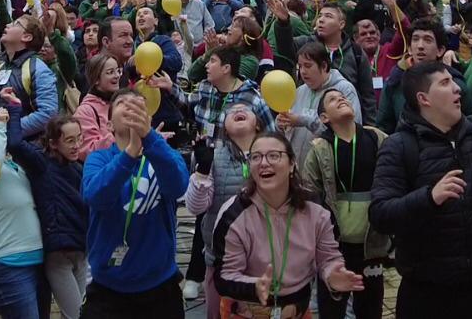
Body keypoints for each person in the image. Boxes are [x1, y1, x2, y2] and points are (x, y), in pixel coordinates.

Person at [369, 61, 472, 318]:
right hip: (426, 294)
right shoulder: (398, 146)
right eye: (445, 83)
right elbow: (381, 214)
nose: (458, 90)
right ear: (423, 98)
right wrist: (429, 197)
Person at [210, 131, 363, 317]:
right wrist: (254, 287)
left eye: (274, 155)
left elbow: (328, 257)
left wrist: (332, 275)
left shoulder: (316, 209)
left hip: (297, 310)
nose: (264, 163)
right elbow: (224, 275)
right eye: (256, 157)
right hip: (247, 311)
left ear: (292, 164)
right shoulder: (234, 213)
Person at [80, 88, 190, 318]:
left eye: (139, 104)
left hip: (160, 285)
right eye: (122, 103)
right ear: (109, 126)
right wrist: (129, 153)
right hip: (109, 288)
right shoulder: (99, 159)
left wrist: (150, 140)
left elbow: (178, 185)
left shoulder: (163, 154)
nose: (131, 105)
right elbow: (95, 196)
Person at [300, 89, 387, 319]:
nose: (341, 99)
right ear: (324, 118)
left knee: (371, 308)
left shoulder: (376, 137)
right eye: (332, 99)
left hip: (372, 244)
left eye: (343, 96)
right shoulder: (319, 148)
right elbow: (309, 195)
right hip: (335, 246)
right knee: (332, 309)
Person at [0, 92, 49, 319]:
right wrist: (1, 126)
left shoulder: (14, 164)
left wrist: (14, 109)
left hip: (37, 260)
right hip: (4, 264)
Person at [7, 111, 90, 319]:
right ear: (53, 143)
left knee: (77, 311)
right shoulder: (42, 164)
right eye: (69, 140)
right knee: (76, 314)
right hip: (59, 253)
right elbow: (16, 144)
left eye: (79, 138)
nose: (76, 145)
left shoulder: (78, 168)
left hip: (81, 249)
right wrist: (15, 110)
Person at [185, 104, 266, 315]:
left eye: (246, 110)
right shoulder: (215, 157)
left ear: (257, 123)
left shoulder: (273, 155)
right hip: (221, 257)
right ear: (225, 128)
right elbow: (195, 207)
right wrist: (202, 171)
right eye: (231, 112)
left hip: (266, 258)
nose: (238, 110)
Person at [0, 14, 59, 140]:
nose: (8, 25)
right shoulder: (1, 67)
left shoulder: (38, 69)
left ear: (27, 37)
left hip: (24, 151)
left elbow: (48, 113)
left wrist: (6, 130)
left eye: (16, 23)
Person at [278, 42, 361, 158]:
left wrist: (303, 120)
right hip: (296, 165)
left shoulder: (344, 89)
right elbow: (288, 131)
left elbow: (351, 128)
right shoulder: (299, 91)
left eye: (308, 66)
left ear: (324, 66)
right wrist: (282, 124)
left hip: (328, 164)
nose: (302, 71)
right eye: (300, 66)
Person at [295, 4, 375, 118]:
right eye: (320, 16)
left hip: (346, 119)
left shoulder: (356, 52)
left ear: (341, 24)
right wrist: (283, 23)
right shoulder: (306, 43)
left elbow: (367, 94)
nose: (321, 20)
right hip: (309, 118)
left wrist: (369, 127)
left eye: (328, 16)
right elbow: (285, 47)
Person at [74, 53, 121, 154]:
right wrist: (120, 134)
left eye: (118, 70)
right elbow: (86, 150)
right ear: (96, 79)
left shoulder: (121, 102)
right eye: (110, 72)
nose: (117, 76)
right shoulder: (85, 111)